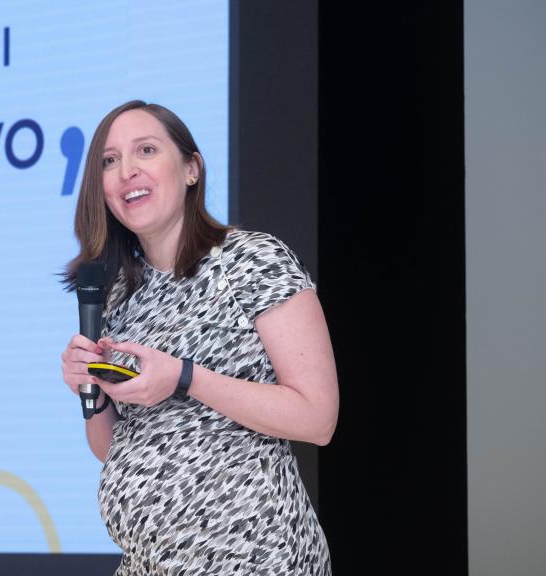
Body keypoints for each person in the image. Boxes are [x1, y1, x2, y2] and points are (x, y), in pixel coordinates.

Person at [60, 100, 338, 575]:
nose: (126, 170)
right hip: (149, 563)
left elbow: (318, 419)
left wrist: (185, 377)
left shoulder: (252, 260)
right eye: (109, 160)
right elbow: (113, 448)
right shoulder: (117, 295)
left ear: (191, 168)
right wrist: (91, 390)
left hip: (254, 558)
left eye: (145, 150)